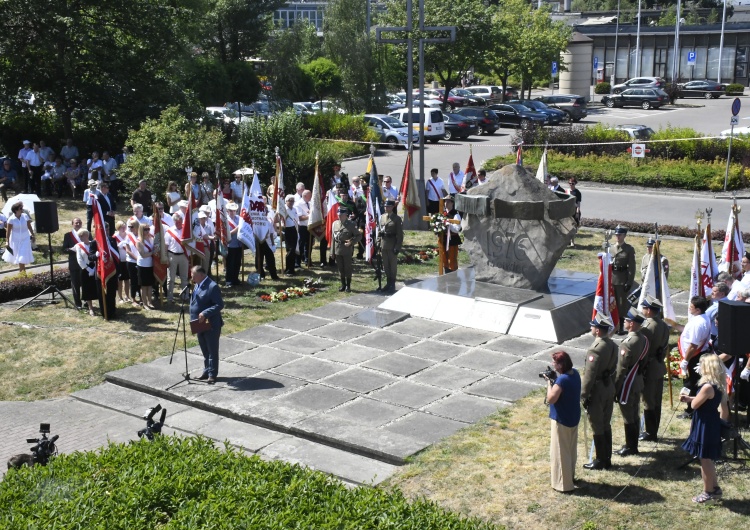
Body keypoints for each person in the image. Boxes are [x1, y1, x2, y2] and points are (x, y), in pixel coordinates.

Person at [680, 354, 729, 504]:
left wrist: (690, 401)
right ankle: (715, 488)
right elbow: (723, 408)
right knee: (708, 458)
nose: (699, 368)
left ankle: (708, 492)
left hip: (704, 424)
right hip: (712, 422)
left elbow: (695, 406)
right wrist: (690, 398)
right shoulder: (718, 385)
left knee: (705, 460)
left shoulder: (707, 387)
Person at [581, 312, 618, 470]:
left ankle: (600, 460)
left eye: (593, 326)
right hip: (608, 387)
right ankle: (607, 458)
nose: (591, 327)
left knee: (597, 425)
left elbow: (589, 376)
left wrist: (583, 395)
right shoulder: (612, 344)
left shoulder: (595, 349)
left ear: (597, 330)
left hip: (597, 390)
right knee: (605, 423)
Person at [614, 309, 649, 456]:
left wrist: (616, 388)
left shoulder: (627, 343)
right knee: (635, 413)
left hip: (627, 383)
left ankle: (631, 446)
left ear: (632, 323)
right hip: (638, 380)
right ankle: (633, 444)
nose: (624, 322)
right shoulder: (644, 339)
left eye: (626, 320)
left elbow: (621, 369)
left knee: (629, 415)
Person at [545, 350, 581, 493]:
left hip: (562, 420)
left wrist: (549, 383)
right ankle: (570, 476)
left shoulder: (562, 380)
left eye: (554, 362)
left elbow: (551, 399)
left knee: (560, 452)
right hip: (573, 417)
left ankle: (563, 484)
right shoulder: (575, 373)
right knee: (570, 450)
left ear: (560, 365)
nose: (553, 364)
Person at [674, 296, 712, 419]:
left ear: (698, 309)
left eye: (691, 307)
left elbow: (693, 345)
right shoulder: (702, 318)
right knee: (694, 382)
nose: (689, 308)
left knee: (690, 383)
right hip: (695, 356)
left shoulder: (698, 323)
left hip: (693, 357)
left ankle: (690, 409)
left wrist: (685, 360)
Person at [639, 296, 670, 442]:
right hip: (658, 365)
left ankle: (651, 432)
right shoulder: (663, 324)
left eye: (644, 308)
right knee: (656, 399)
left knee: (649, 400)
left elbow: (644, 350)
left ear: (649, 310)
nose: (642, 310)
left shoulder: (648, 327)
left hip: (649, 368)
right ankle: (653, 430)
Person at [190, 265, 224, 384]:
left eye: (193, 275)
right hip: (199, 324)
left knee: (212, 349)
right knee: (204, 349)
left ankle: (212, 374)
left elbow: (219, 305)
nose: (192, 277)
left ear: (201, 274)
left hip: (211, 324)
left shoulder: (212, 286)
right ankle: (206, 371)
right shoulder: (197, 285)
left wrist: (205, 313)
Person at [612, 225, 636, 335]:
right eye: (616, 234)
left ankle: (621, 326)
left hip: (622, 280)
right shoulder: (611, 248)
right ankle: (613, 325)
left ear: (624, 235)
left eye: (620, 235)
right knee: (612, 303)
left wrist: (629, 282)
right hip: (612, 280)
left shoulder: (628, 249)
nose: (618, 236)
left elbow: (631, 267)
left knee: (621, 305)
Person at [332, 207, 361, 292]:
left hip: (347, 249)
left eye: (341, 215)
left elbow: (359, 236)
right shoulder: (335, 224)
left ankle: (348, 285)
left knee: (347, 268)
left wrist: (351, 243)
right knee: (340, 268)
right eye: (338, 215)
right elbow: (333, 238)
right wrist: (332, 252)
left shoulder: (351, 224)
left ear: (346, 215)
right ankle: (343, 285)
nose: (339, 216)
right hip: (338, 249)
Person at [378, 199, 403, 293]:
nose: (386, 208)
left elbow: (400, 235)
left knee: (392, 266)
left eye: (388, 206)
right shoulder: (382, 217)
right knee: (386, 265)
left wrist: (397, 247)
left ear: (392, 207)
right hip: (384, 245)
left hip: (392, 245)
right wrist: (378, 243)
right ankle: (388, 283)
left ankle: (392, 283)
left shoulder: (397, 219)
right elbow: (380, 231)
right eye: (385, 206)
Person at [2, 201, 35, 272]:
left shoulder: (25, 216)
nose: (22, 209)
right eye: (20, 208)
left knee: (22, 257)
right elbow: (8, 231)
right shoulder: (11, 219)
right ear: (16, 210)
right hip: (15, 240)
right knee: (20, 258)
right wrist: (7, 241)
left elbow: (29, 226)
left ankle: (22, 275)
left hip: (25, 239)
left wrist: (32, 235)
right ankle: (23, 275)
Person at [164, 212, 189, 303]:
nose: (178, 223)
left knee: (184, 277)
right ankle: (170, 297)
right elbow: (166, 246)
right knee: (171, 278)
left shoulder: (186, 230)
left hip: (183, 255)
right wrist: (166, 257)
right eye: (176, 222)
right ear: (174, 221)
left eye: (180, 221)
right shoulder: (169, 231)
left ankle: (185, 296)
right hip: (172, 255)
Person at [62, 218, 84, 309]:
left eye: (79, 222)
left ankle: (86, 301)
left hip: (84, 263)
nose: (78, 224)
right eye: (76, 223)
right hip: (74, 263)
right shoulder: (68, 235)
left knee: (85, 283)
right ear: (72, 224)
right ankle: (78, 304)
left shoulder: (86, 233)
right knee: (75, 284)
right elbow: (64, 249)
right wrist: (72, 249)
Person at [75, 228, 97, 316]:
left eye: (82, 235)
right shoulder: (78, 246)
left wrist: (94, 268)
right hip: (85, 269)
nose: (80, 237)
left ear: (87, 235)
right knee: (87, 289)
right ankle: (90, 308)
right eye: (79, 236)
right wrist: (88, 269)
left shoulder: (93, 243)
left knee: (97, 287)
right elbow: (79, 260)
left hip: (95, 267)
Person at [136, 223, 155, 310]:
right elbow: (143, 255)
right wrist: (153, 253)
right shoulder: (139, 241)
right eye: (145, 229)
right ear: (141, 230)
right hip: (142, 265)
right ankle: (145, 303)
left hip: (150, 264)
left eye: (148, 229)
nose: (147, 231)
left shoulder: (151, 238)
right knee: (144, 286)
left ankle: (150, 302)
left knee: (150, 285)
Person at [441, 196, 462, 273]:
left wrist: (449, 225)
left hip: (452, 239)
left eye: (448, 201)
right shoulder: (442, 213)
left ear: (452, 203)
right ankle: (445, 270)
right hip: (443, 238)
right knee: (443, 256)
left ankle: (453, 273)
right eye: (445, 201)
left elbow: (457, 229)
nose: (446, 203)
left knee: (452, 257)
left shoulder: (456, 215)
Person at [224, 202, 242, 287]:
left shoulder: (239, 219)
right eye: (231, 211)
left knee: (237, 263)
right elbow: (226, 234)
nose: (233, 212)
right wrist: (237, 229)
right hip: (230, 245)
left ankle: (235, 279)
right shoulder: (225, 220)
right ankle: (229, 281)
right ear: (227, 211)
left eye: (234, 211)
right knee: (230, 264)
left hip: (238, 244)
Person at [113, 221, 131, 304]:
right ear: (118, 228)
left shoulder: (128, 235)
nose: (124, 229)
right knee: (120, 280)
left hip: (127, 259)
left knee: (127, 280)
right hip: (119, 261)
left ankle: (127, 296)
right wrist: (118, 245)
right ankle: (120, 297)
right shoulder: (115, 237)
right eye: (121, 227)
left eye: (124, 227)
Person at [283, 195, 299, 276]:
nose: (291, 202)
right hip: (287, 230)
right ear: (286, 201)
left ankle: (292, 269)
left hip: (294, 229)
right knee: (290, 250)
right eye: (290, 200)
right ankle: (288, 269)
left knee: (293, 251)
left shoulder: (295, 209)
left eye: (293, 201)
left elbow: (297, 219)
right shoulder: (284, 209)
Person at [295, 190, 311, 267]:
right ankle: (298, 261)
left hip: (310, 226)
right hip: (302, 227)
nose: (311, 197)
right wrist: (309, 216)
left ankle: (307, 259)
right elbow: (299, 218)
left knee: (309, 244)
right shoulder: (298, 204)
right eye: (309, 196)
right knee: (301, 244)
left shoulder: (310, 203)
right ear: (305, 196)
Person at [567, 178, 581, 247]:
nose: (571, 185)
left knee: (573, 227)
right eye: (569, 183)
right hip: (567, 211)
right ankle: (568, 241)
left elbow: (578, 204)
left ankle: (572, 241)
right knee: (567, 226)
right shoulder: (566, 191)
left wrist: (577, 213)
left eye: (572, 183)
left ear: (575, 184)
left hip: (574, 211)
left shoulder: (577, 192)